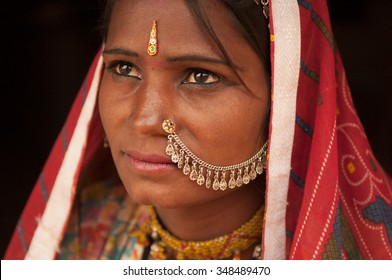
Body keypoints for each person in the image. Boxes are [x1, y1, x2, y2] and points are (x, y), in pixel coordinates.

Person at [4, 0, 392, 260]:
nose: (144, 119)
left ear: (287, 99)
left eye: (200, 75)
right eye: (124, 68)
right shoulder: (76, 229)